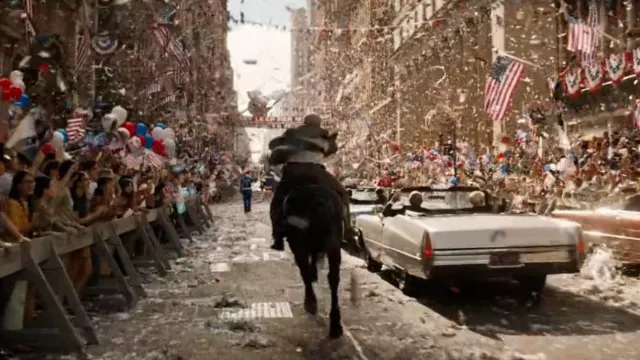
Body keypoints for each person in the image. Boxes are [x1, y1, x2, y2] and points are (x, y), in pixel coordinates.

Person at [268, 114, 352, 251]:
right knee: (342, 194)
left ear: (305, 122)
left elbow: (275, 148)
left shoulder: (292, 134)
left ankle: (278, 238)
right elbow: (333, 150)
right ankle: (347, 229)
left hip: (293, 172)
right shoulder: (324, 135)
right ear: (318, 123)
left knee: (277, 202)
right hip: (316, 171)